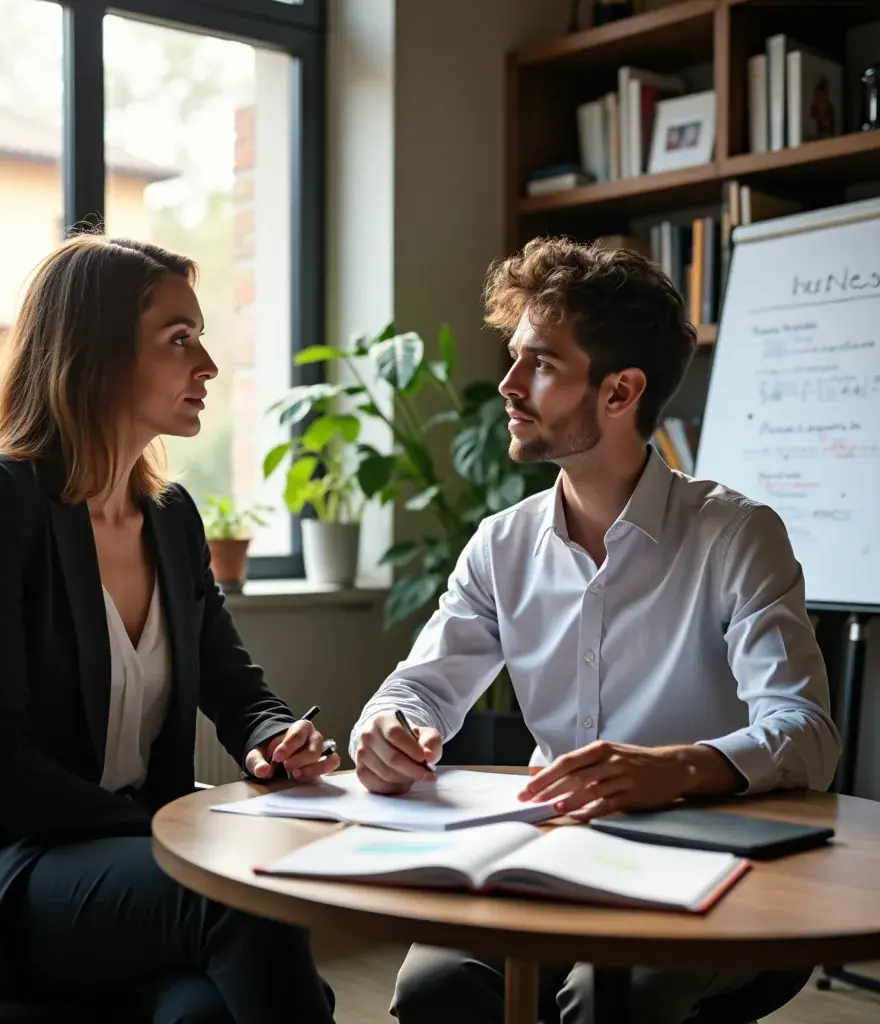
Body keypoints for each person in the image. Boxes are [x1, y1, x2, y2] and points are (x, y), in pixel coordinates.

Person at [349, 237, 841, 1024]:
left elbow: (806, 734)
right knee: (434, 991)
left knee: (608, 997)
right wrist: (387, 727)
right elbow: (418, 689)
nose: (507, 385)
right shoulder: (501, 545)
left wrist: (676, 768)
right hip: (547, 857)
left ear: (620, 392)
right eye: (514, 357)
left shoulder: (736, 536)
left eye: (539, 363)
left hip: (711, 862)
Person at [0, 234, 340, 1023]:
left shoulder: (173, 519)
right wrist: (170, 828)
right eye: (179, 340)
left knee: (204, 1012)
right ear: (97, 353)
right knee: (241, 901)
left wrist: (269, 737)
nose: (208, 367)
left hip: (116, 864)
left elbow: (232, 682)